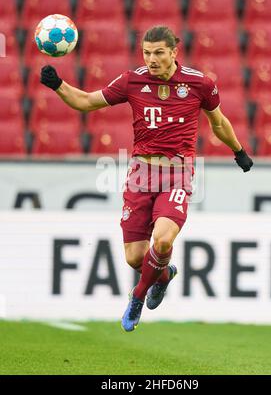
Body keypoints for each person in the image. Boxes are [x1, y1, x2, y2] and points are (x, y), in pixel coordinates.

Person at [40, 26, 253, 332]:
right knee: (134, 258)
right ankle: (163, 276)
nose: (152, 59)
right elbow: (86, 102)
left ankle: (137, 296)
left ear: (174, 53)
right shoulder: (132, 80)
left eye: (158, 53)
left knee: (164, 239)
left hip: (178, 172)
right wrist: (58, 85)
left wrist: (239, 150)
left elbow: (218, 122)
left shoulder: (199, 84)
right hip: (141, 172)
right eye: (147, 53)